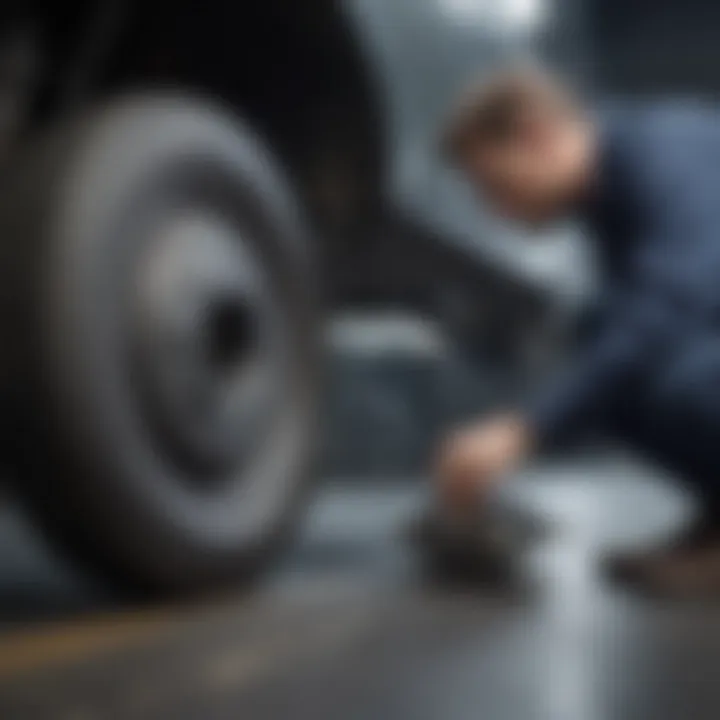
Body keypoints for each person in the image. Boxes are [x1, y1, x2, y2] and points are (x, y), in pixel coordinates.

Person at [434, 65, 720, 597]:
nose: (494, 211)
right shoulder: (608, 200)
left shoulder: (659, 154)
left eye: (494, 185)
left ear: (534, 135)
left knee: (665, 368)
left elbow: (673, 307)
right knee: (603, 347)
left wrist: (524, 430)